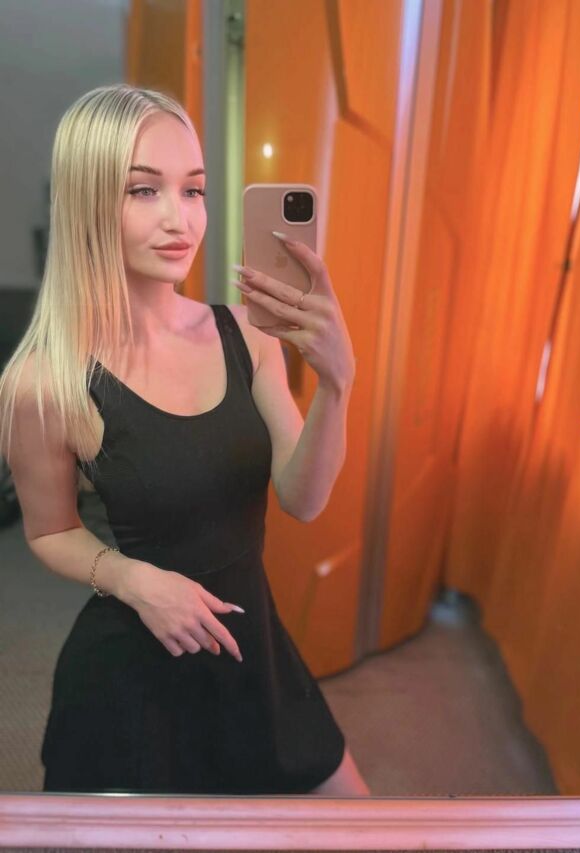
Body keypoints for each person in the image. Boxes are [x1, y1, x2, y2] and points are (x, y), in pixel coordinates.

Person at [0, 83, 369, 795]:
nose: (181, 219)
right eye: (145, 191)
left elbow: (304, 498)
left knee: (360, 822)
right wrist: (133, 579)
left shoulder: (248, 335)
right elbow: (49, 532)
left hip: (253, 651)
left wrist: (337, 385)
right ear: (87, 201)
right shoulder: (43, 379)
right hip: (132, 673)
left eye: (194, 190)